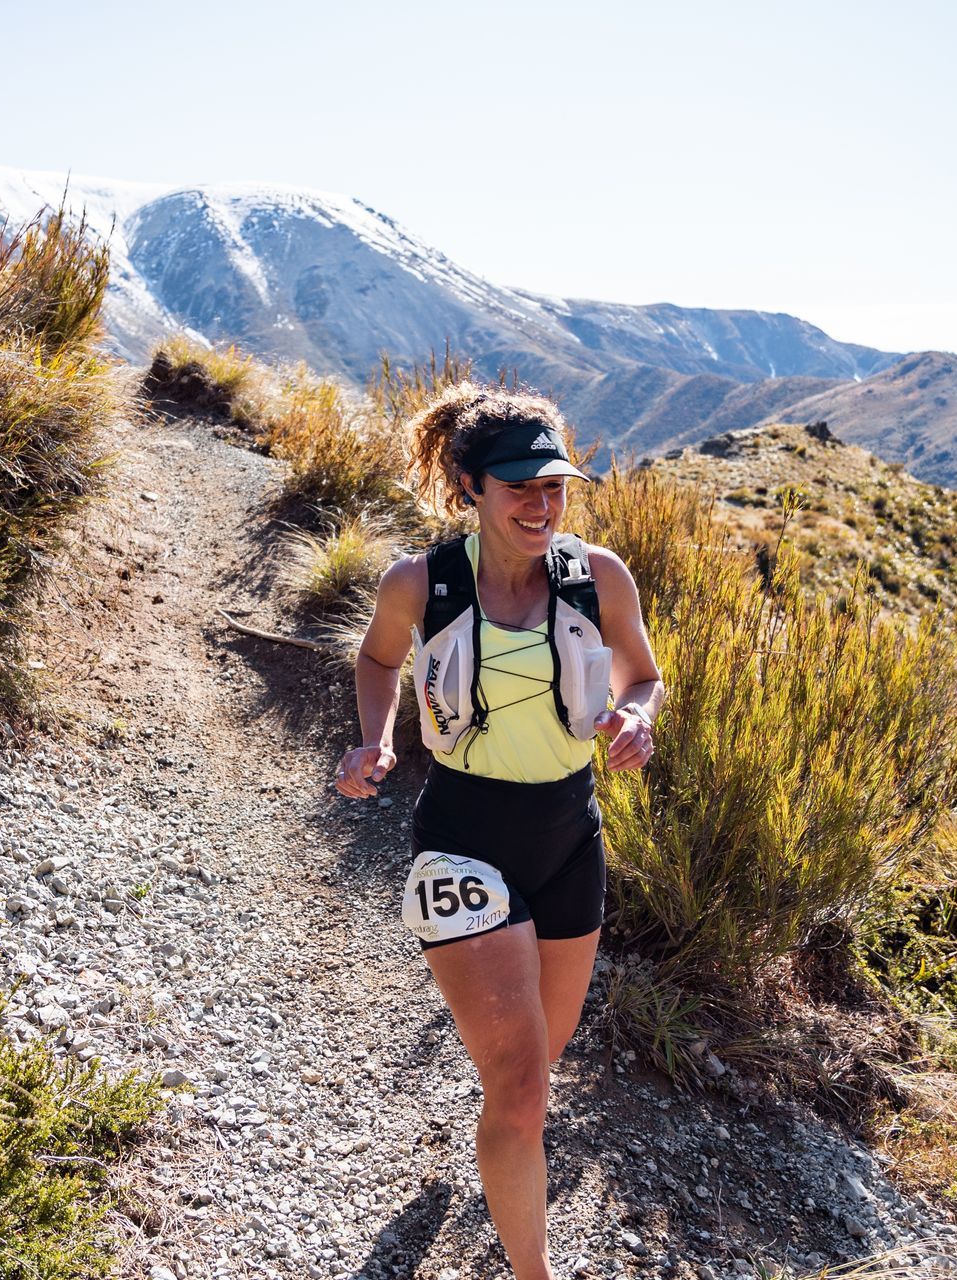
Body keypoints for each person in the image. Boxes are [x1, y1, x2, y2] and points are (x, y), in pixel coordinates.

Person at [334, 383, 665, 1280]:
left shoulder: (598, 578)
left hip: (570, 837)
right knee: (521, 1095)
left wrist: (637, 719)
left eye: (554, 485)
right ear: (470, 485)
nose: (540, 503)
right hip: (463, 835)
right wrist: (374, 738)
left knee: (536, 1063)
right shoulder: (422, 582)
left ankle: (491, 1109)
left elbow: (642, 676)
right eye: (517, 485)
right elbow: (377, 658)